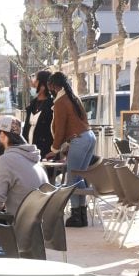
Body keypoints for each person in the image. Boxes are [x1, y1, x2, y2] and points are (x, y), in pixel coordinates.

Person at [46, 71, 95, 228]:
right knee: (79, 178)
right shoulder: (73, 97)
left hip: (79, 139)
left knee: (72, 179)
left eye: (50, 87)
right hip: (89, 136)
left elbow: (60, 129)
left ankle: (76, 215)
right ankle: (82, 215)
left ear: (53, 86)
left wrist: (54, 149)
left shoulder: (61, 102)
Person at [0, 114, 47, 216]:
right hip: (35, 226)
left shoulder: (6, 160)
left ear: (2, 136)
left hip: (15, 227)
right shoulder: (33, 159)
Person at [22, 70, 54, 162]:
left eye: (35, 81)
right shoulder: (32, 104)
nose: (32, 84)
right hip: (28, 151)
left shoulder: (52, 106)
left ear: (43, 86)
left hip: (45, 152)